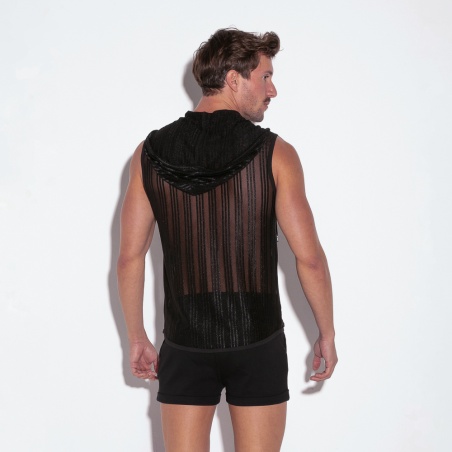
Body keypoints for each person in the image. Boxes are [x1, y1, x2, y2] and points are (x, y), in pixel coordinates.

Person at [117, 28, 337, 452]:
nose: (273, 90)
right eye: (265, 77)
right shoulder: (275, 153)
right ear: (234, 79)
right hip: (257, 339)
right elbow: (309, 258)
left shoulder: (149, 152)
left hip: (185, 340)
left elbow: (130, 257)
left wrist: (137, 337)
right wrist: (326, 331)